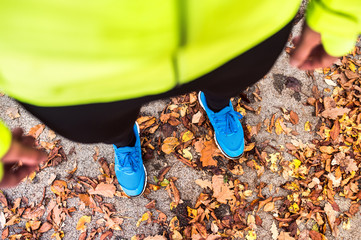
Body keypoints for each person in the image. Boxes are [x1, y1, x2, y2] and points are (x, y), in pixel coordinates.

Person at [0, 0, 360, 196]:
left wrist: (340, 12)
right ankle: (125, 142)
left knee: (229, 81)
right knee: (107, 125)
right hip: (68, 68)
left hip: (239, 25)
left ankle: (217, 105)